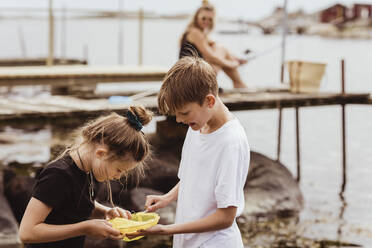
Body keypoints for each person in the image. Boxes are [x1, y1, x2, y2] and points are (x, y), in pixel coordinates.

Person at [130, 56, 250, 248]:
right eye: (176, 114)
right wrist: (167, 197)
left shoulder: (231, 142)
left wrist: (166, 229)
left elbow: (226, 217)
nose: (178, 120)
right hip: (189, 241)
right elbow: (193, 177)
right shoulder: (198, 125)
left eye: (184, 113)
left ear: (209, 101)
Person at [18, 106, 153, 248]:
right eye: (119, 170)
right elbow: (27, 232)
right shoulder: (58, 176)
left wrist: (105, 211)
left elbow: (73, 200)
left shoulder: (89, 169)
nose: (118, 177)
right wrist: (84, 228)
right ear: (101, 154)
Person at [179, 3, 249, 89]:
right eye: (203, 18)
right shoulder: (195, 32)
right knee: (221, 49)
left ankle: (240, 84)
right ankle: (240, 84)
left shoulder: (201, 34)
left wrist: (237, 59)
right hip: (192, 77)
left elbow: (217, 48)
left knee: (218, 47)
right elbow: (211, 57)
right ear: (197, 17)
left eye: (210, 19)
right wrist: (231, 64)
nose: (206, 21)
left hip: (195, 75)